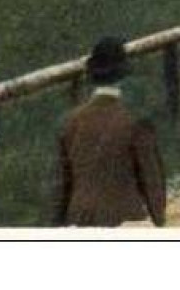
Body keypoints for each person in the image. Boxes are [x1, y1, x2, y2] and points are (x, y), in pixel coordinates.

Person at [54, 36, 166, 227]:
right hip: (124, 219)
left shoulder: (69, 123)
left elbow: (61, 185)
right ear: (122, 76)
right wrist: (159, 220)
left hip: (79, 219)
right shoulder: (135, 123)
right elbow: (152, 182)